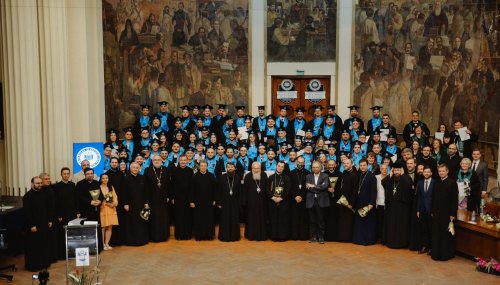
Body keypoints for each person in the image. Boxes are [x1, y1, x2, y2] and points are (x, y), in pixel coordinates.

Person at [23, 176, 51, 271]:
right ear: (32, 184)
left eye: (40, 183)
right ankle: (34, 266)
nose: (39, 185)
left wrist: (49, 220)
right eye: (37, 183)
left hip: (43, 224)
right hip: (33, 225)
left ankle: (44, 263)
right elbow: (27, 213)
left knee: (43, 244)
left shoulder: (43, 193)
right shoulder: (27, 196)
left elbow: (47, 209)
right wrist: (32, 225)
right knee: (34, 246)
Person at [431, 164, 458, 261]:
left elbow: (454, 200)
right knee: (436, 233)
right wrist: (432, 211)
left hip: (447, 213)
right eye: (439, 171)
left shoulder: (452, 183)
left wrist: (452, 214)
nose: (441, 173)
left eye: (443, 171)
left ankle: (445, 254)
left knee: (445, 234)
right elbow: (433, 198)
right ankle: (436, 253)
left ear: (447, 171)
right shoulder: (436, 182)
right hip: (437, 212)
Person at [383, 162, 412, 249]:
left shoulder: (406, 178)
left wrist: (403, 175)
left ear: (401, 170)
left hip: (401, 208)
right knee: (391, 225)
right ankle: (390, 242)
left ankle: (400, 243)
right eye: (395, 170)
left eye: (398, 170)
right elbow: (383, 183)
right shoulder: (390, 178)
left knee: (400, 225)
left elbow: (409, 185)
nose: (396, 172)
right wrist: (390, 174)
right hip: (391, 207)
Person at [144, 155, 171, 242]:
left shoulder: (166, 170)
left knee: (163, 217)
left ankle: (164, 236)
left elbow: (169, 184)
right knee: (153, 218)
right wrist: (146, 201)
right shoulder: (147, 170)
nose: (157, 161)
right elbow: (145, 186)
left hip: (163, 198)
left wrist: (168, 196)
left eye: (158, 159)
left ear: (161, 161)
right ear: (152, 161)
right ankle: (154, 237)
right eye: (155, 160)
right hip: (151, 198)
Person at [54, 167, 79, 260]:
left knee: (72, 234)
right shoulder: (56, 186)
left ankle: (72, 253)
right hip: (62, 215)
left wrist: (77, 212)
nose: (66, 175)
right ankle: (62, 254)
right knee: (62, 235)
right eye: (64, 174)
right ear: (61, 174)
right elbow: (56, 202)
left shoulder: (73, 185)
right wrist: (58, 215)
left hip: (72, 213)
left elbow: (76, 199)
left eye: (68, 173)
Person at [123, 162, 149, 246]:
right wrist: (126, 203)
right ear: (130, 169)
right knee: (131, 223)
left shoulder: (142, 178)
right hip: (131, 205)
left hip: (141, 204)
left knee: (141, 222)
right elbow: (124, 193)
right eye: (133, 167)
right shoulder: (126, 179)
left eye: (137, 168)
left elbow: (146, 191)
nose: (135, 169)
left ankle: (142, 240)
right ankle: (132, 241)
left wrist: (146, 202)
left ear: (139, 169)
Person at [353, 159, 377, 245]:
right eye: (361, 165)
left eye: (364, 165)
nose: (362, 167)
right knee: (359, 222)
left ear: (368, 166)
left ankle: (367, 240)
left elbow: (374, 191)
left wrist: (371, 204)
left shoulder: (371, 176)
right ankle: (358, 239)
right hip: (359, 202)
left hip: (368, 203)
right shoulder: (358, 175)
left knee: (367, 223)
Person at [190, 160, 217, 240]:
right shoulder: (194, 176)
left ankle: (209, 235)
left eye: (205, 166)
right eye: (201, 166)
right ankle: (199, 235)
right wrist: (191, 201)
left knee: (209, 218)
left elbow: (214, 189)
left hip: (209, 201)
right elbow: (191, 190)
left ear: (207, 166)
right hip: (198, 202)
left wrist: (214, 199)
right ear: (199, 167)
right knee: (199, 218)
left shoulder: (211, 176)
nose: (203, 167)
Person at [242, 162, 269, 241]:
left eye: (258, 168)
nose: (256, 170)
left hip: (262, 202)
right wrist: (245, 202)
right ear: (252, 168)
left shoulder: (264, 175)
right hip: (251, 203)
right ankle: (251, 235)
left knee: (262, 219)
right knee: (251, 219)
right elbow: (244, 191)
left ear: (260, 168)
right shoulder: (247, 176)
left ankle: (262, 235)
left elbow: (267, 189)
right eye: (254, 168)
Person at [217, 162, 243, 242]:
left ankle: (234, 237)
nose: (230, 168)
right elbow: (218, 191)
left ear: (234, 168)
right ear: (226, 168)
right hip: (224, 202)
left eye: (232, 167)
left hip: (235, 203)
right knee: (224, 220)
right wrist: (219, 202)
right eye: (228, 167)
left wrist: (240, 204)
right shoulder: (222, 177)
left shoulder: (238, 178)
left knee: (234, 219)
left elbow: (240, 192)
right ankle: (224, 236)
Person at [305, 161, 330, 244]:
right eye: (313, 167)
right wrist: (319, 187)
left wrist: (313, 186)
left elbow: (325, 186)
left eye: (316, 167)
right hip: (311, 201)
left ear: (320, 167)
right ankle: (313, 237)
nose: (314, 168)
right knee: (312, 220)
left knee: (321, 220)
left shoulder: (325, 176)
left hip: (321, 201)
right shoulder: (308, 176)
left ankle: (321, 237)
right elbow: (308, 187)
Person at [170, 155, 194, 240]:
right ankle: (179, 235)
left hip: (187, 198)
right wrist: (172, 197)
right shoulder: (174, 171)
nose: (183, 162)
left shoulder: (190, 171)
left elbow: (192, 186)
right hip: (177, 198)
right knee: (178, 217)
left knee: (187, 217)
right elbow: (172, 185)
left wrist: (191, 199)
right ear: (179, 161)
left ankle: (187, 235)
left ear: (187, 161)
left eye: (184, 160)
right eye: (181, 160)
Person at [267, 161, 291, 241]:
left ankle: (282, 236)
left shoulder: (287, 178)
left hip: (283, 202)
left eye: (282, 167)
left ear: (284, 168)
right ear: (276, 166)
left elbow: (288, 189)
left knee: (282, 219)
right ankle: (273, 236)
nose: (280, 168)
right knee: (273, 219)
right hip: (272, 201)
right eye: (279, 166)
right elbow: (267, 189)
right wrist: (273, 198)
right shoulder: (270, 177)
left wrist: (281, 198)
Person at [106, 157, 126, 246]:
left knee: (120, 221)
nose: (114, 164)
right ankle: (111, 241)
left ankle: (120, 240)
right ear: (110, 164)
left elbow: (124, 189)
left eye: (115, 162)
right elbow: (106, 188)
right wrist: (110, 201)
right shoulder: (106, 174)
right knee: (111, 223)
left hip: (120, 202)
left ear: (117, 164)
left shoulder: (121, 174)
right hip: (110, 202)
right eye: (112, 162)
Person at [336, 159, 358, 242]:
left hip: (349, 202)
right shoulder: (344, 173)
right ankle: (341, 237)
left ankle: (347, 238)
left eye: (347, 163)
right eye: (344, 163)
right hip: (342, 200)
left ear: (351, 164)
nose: (345, 164)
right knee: (342, 220)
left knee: (348, 221)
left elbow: (355, 191)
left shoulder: (354, 175)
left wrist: (351, 203)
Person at [289, 157, 310, 241]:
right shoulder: (291, 173)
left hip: (304, 200)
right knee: (294, 218)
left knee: (303, 219)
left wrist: (302, 196)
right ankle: (294, 236)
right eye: (299, 162)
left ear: (304, 163)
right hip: (293, 200)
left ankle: (303, 236)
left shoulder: (308, 173)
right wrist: (295, 196)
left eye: (302, 163)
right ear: (296, 162)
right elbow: (289, 187)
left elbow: (308, 188)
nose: (300, 164)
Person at [39, 172, 57, 263]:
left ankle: (53, 257)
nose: (48, 180)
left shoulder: (52, 189)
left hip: (53, 217)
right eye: (46, 179)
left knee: (53, 238)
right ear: (41, 180)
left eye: (49, 178)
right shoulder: (40, 191)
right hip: (44, 219)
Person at [416, 166, 434, 254]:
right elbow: (419, 197)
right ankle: (424, 246)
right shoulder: (420, 183)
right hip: (422, 210)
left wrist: (434, 210)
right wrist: (418, 210)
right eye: (425, 172)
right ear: (423, 173)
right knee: (424, 229)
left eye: (428, 172)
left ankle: (431, 247)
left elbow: (436, 198)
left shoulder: (435, 182)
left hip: (431, 210)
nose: (426, 173)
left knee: (431, 229)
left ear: (431, 173)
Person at [99, 173, 118, 250]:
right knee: (103, 227)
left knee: (110, 227)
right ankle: (102, 244)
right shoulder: (98, 187)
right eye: (103, 178)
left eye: (106, 178)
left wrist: (114, 204)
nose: (105, 179)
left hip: (111, 209)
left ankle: (107, 243)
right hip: (103, 209)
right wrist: (105, 203)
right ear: (100, 179)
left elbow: (115, 197)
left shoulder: (111, 187)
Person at [324, 159, 341, 241]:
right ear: (327, 165)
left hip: (336, 200)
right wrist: (327, 189)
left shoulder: (340, 174)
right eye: (329, 164)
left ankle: (335, 236)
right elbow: (321, 185)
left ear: (335, 165)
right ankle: (326, 236)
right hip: (326, 199)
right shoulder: (324, 174)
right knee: (326, 217)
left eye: (332, 164)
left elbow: (342, 187)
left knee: (335, 218)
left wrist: (335, 190)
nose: (331, 166)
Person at [375, 164, 388, 243]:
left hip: (386, 204)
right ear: (380, 169)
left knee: (385, 223)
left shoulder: (390, 177)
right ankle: (378, 237)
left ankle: (385, 238)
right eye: (382, 168)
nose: (384, 170)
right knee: (378, 222)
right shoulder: (376, 177)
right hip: (378, 203)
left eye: (386, 168)